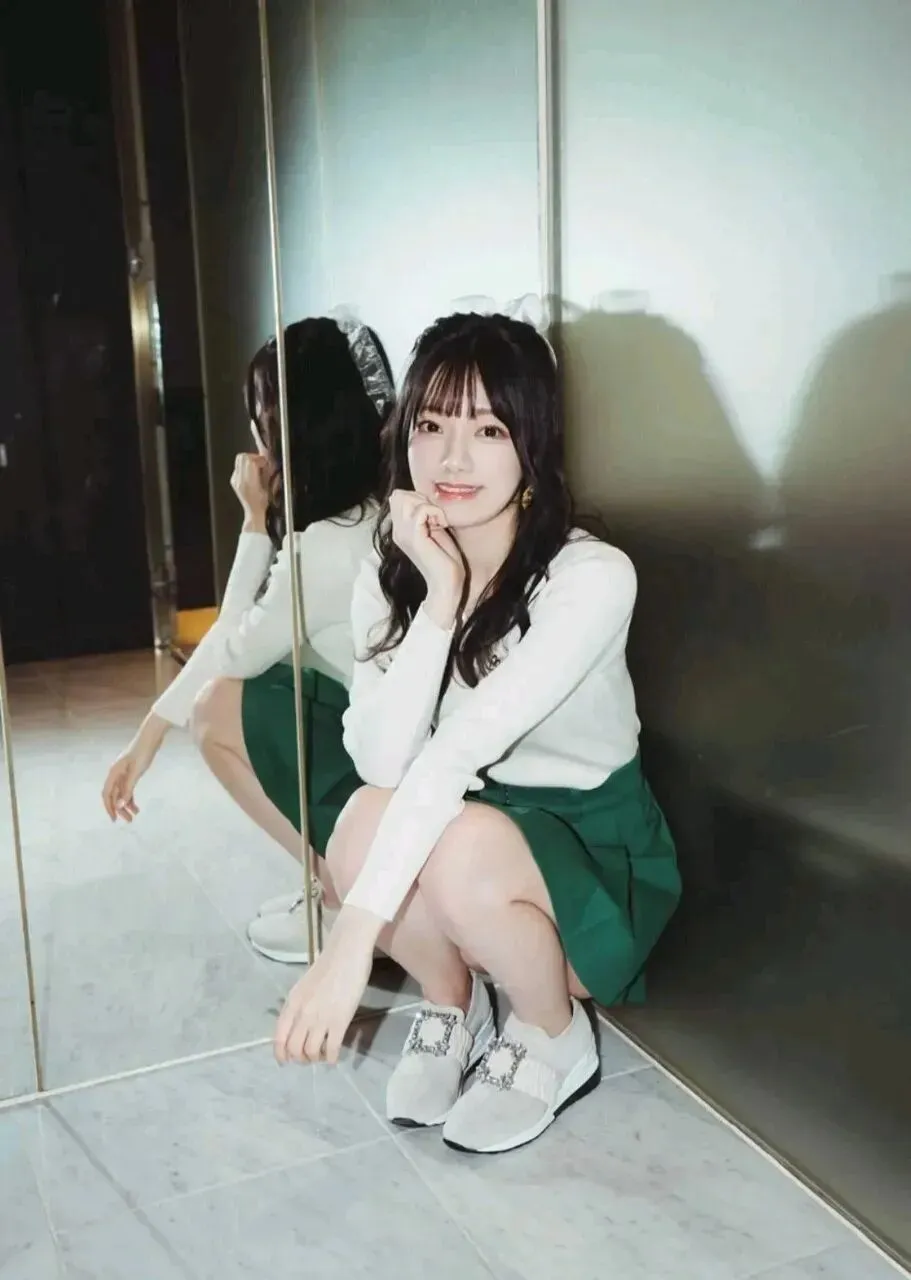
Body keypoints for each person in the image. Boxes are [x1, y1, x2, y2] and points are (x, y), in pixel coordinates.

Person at [270, 311, 682, 1155]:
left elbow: (454, 754)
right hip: (469, 828)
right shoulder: (393, 570)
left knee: (451, 844)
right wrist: (438, 600)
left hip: (589, 852)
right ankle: (451, 1005)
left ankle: (550, 1033)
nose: (452, 459)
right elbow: (382, 762)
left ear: (532, 442)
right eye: (431, 426)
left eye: (488, 430)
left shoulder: (590, 576)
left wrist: (349, 944)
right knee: (360, 823)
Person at [101, 317, 393, 961]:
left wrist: (253, 522)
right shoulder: (371, 513)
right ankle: (349, 884)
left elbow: (232, 649)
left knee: (218, 709)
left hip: (391, 780)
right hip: (394, 758)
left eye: (262, 418)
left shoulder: (323, 547)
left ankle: (346, 897)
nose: (257, 438)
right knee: (263, 684)